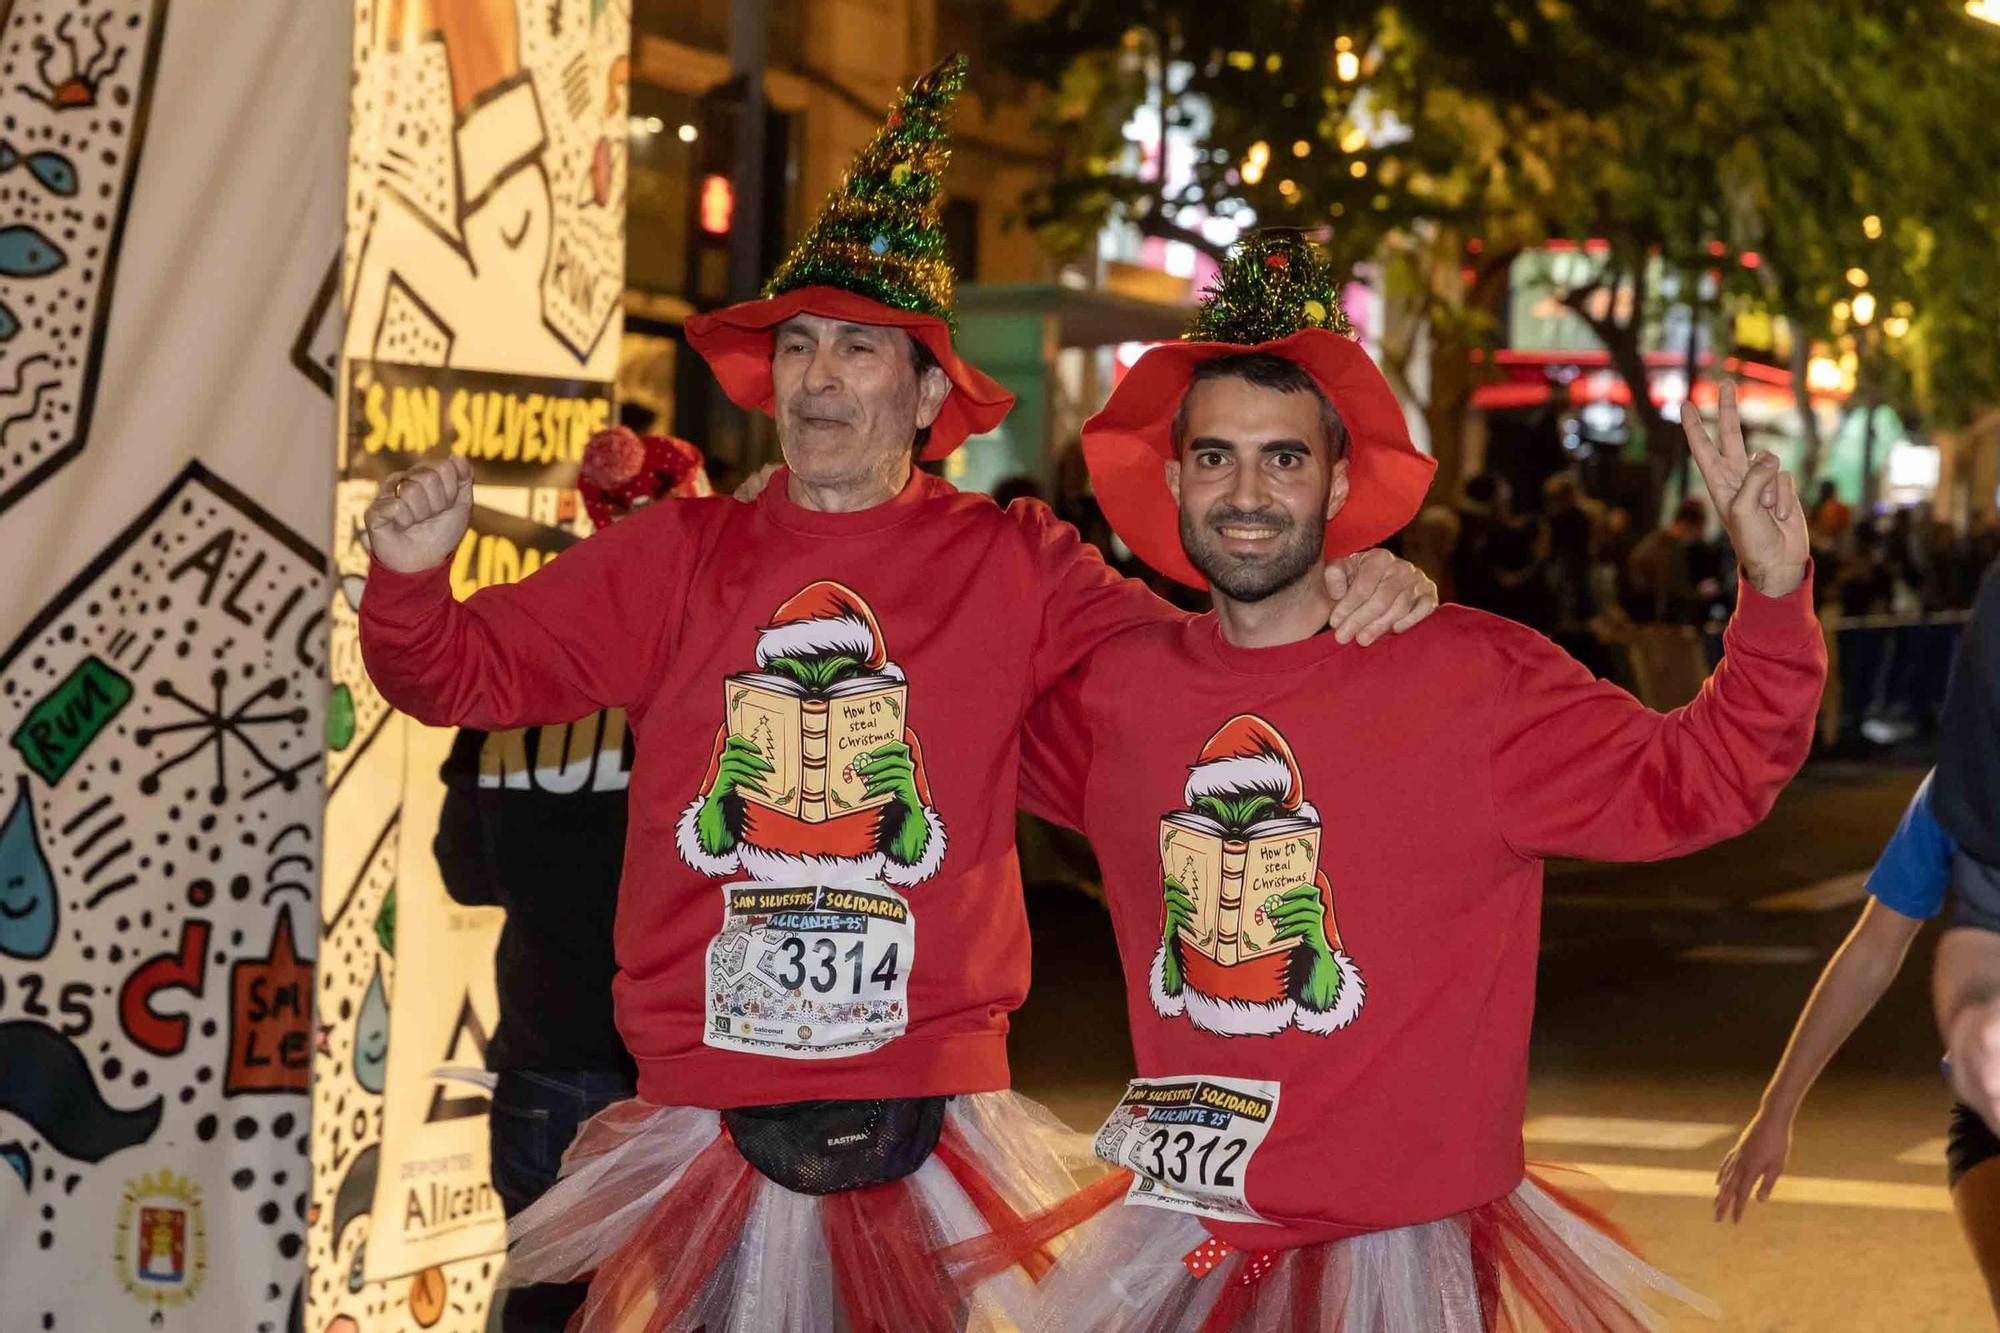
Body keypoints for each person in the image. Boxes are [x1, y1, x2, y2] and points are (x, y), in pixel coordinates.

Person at [358, 63, 1438, 1333]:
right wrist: (410, 578)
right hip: (703, 1104)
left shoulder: (1012, 560)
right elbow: (455, 671)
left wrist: (1347, 583)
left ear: (925, 397)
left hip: (927, 1111)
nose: (817, 377)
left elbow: (1206, 677)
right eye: (797, 346)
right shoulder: (675, 556)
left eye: (857, 347)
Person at [944, 231, 1825, 1330]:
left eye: (1284, 459)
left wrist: (1774, 590)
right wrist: (801, 534)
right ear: (1172, 480)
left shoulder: (1470, 678)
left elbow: (1706, 776)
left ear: (1340, 481)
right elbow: (937, 723)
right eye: (1215, 457)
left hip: (1395, 1261)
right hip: (1183, 1242)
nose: (1246, 492)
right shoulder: (1117, 693)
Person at [430, 428, 707, 1333]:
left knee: (546, 1302)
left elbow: (465, 870)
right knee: (712, 1301)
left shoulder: (522, 661)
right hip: (681, 1062)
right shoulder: (700, 669)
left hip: (542, 1054)